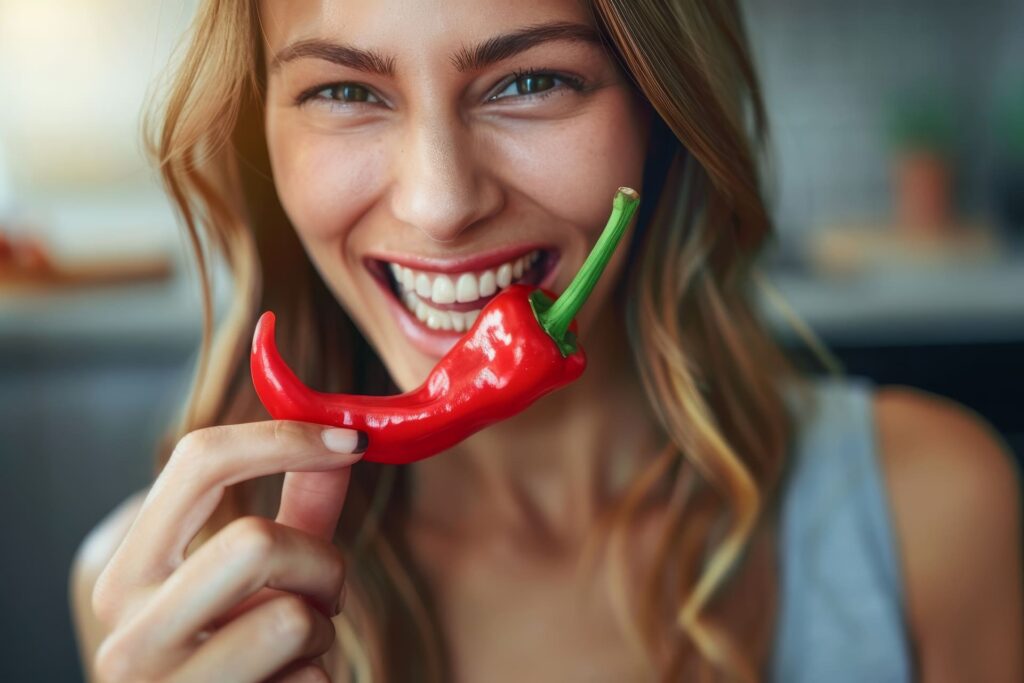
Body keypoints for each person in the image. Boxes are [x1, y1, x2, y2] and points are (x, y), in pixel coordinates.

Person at [70, 0, 1023, 680]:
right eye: (345, 93)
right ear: (257, 137)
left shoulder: (928, 512)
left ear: (661, 111)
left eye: (531, 80)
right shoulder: (168, 597)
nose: (440, 204)